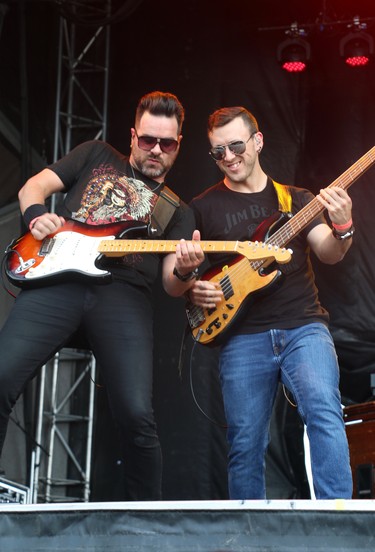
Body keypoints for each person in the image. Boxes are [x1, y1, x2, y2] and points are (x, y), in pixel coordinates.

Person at [0, 91, 204, 500]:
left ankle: (143, 524)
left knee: (135, 413)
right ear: (132, 136)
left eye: (166, 143)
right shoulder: (95, 154)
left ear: (178, 145)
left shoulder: (177, 211)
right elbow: (33, 187)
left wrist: (185, 268)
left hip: (122, 295)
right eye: (148, 140)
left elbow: (171, 284)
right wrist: (36, 217)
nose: (156, 150)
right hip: (56, 280)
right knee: (1, 376)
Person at [187, 106, 354, 500]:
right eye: (218, 152)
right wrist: (194, 287)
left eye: (236, 145)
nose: (228, 157)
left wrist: (343, 227)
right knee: (245, 443)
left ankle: (339, 522)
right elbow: (185, 274)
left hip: (304, 325)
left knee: (324, 412)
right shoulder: (203, 207)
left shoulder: (295, 199)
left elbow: (329, 252)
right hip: (242, 335)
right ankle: (247, 534)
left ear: (258, 142)